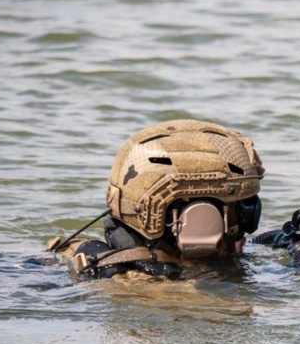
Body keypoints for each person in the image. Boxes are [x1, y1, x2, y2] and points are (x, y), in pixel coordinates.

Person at [47, 119, 277, 279]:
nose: (245, 228)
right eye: (242, 211)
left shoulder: (93, 261)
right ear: (200, 220)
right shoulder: (137, 284)